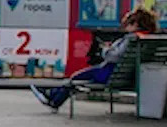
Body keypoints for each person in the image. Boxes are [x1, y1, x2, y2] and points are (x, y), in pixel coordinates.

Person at [31, 7, 159, 110]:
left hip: (108, 73)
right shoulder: (149, 39)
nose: (125, 26)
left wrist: (104, 50)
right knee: (75, 79)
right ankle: (52, 96)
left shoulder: (131, 39)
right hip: (132, 76)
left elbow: (112, 56)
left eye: (128, 23)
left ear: (136, 24)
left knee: (75, 78)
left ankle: (53, 99)